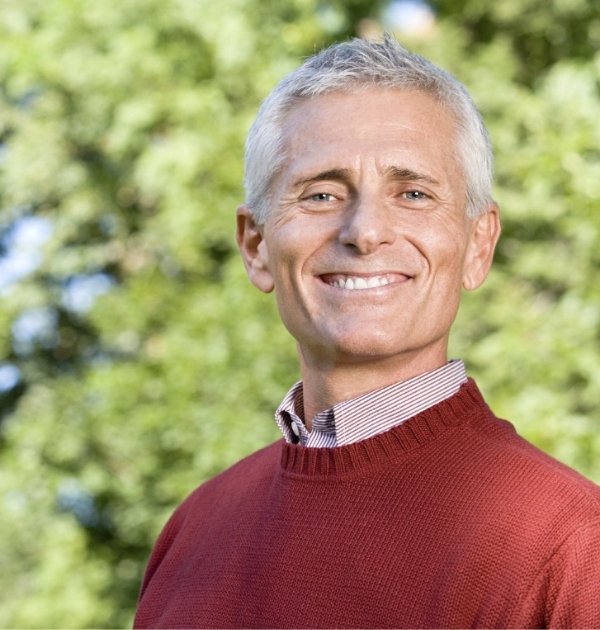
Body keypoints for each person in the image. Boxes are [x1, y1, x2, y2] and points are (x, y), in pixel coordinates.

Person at [134, 35, 600, 629]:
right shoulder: (194, 531)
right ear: (255, 246)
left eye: (412, 193)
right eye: (322, 194)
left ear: (478, 245)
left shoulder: (568, 546)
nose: (365, 231)